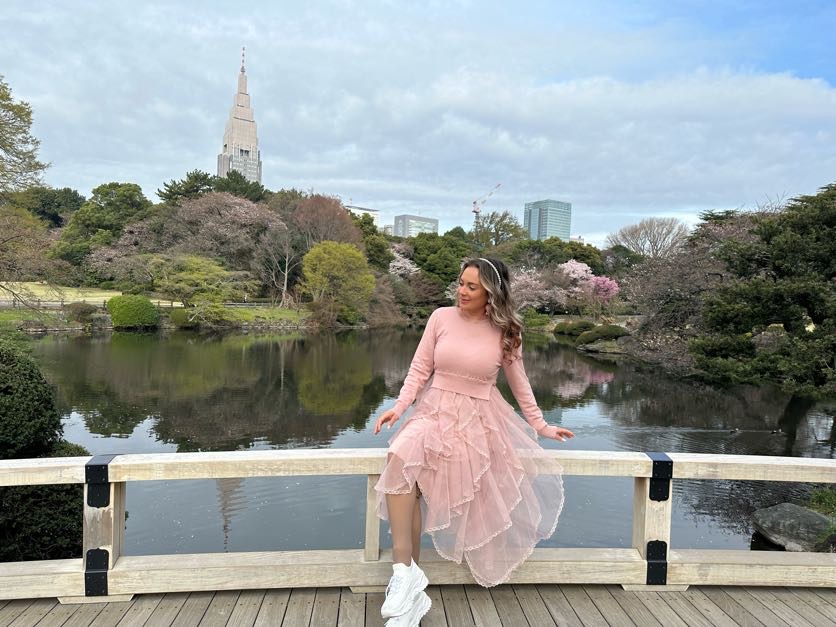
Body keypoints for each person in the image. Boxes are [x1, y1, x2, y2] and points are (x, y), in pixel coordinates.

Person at [373, 257, 574, 626]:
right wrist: (399, 407)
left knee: (427, 483)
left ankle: (409, 603)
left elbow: (520, 384)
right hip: (433, 410)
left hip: (478, 420)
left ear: (491, 294)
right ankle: (405, 573)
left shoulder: (508, 332)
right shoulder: (440, 317)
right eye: (460, 283)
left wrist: (542, 425)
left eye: (471, 287)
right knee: (400, 458)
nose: (461, 291)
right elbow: (420, 368)